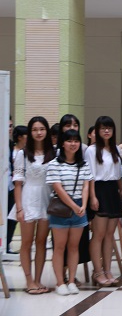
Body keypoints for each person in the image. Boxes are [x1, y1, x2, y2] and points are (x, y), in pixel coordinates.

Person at [8, 116, 54, 294]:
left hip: (47, 199)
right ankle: (29, 281)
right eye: (34, 129)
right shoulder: (23, 153)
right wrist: (19, 208)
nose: (38, 132)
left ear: (47, 131)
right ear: (29, 132)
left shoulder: (53, 152)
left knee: (41, 242)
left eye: (42, 129)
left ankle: (38, 280)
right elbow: (18, 183)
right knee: (26, 242)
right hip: (28, 198)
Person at [46, 129, 92, 295]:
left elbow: (86, 186)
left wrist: (83, 205)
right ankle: (60, 282)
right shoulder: (54, 164)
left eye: (76, 141)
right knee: (59, 247)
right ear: (62, 144)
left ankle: (72, 281)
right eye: (69, 141)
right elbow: (58, 188)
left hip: (79, 207)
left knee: (74, 246)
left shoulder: (84, 164)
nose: (73, 144)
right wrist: (74, 206)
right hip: (61, 207)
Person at [85, 116, 122, 287]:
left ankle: (108, 270)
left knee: (110, 235)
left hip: (113, 192)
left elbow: (119, 174)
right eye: (103, 128)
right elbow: (90, 175)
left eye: (109, 128)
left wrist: (121, 190)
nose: (106, 131)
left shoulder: (115, 149)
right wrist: (93, 197)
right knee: (98, 234)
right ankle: (98, 271)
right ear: (97, 131)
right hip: (99, 191)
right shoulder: (92, 150)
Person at [7, 124, 27, 254]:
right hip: (11, 186)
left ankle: (7, 243)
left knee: (14, 218)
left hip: (22, 187)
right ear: (20, 137)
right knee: (10, 216)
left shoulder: (27, 152)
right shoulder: (11, 149)